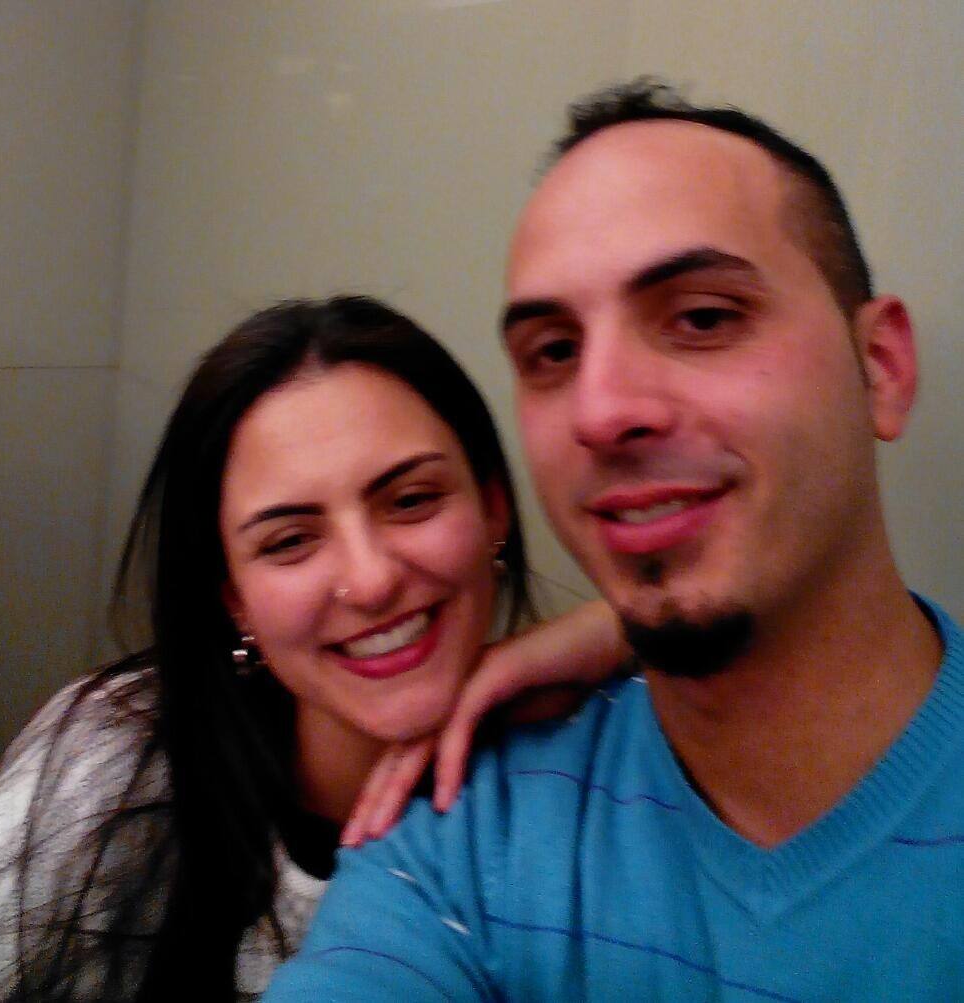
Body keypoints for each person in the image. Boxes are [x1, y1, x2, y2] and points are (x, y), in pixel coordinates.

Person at [264, 79, 964, 1001]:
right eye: (553, 352)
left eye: (703, 317)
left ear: (879, 367)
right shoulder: (462, 827)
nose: (598, 411)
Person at [0, 296, 628, 1002]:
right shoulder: (116, 752)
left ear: (492, 506)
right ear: (235, 598)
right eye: (289, 541)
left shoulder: (588, 787)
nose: (370, 580)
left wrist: (624, 631)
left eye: (410, 500)